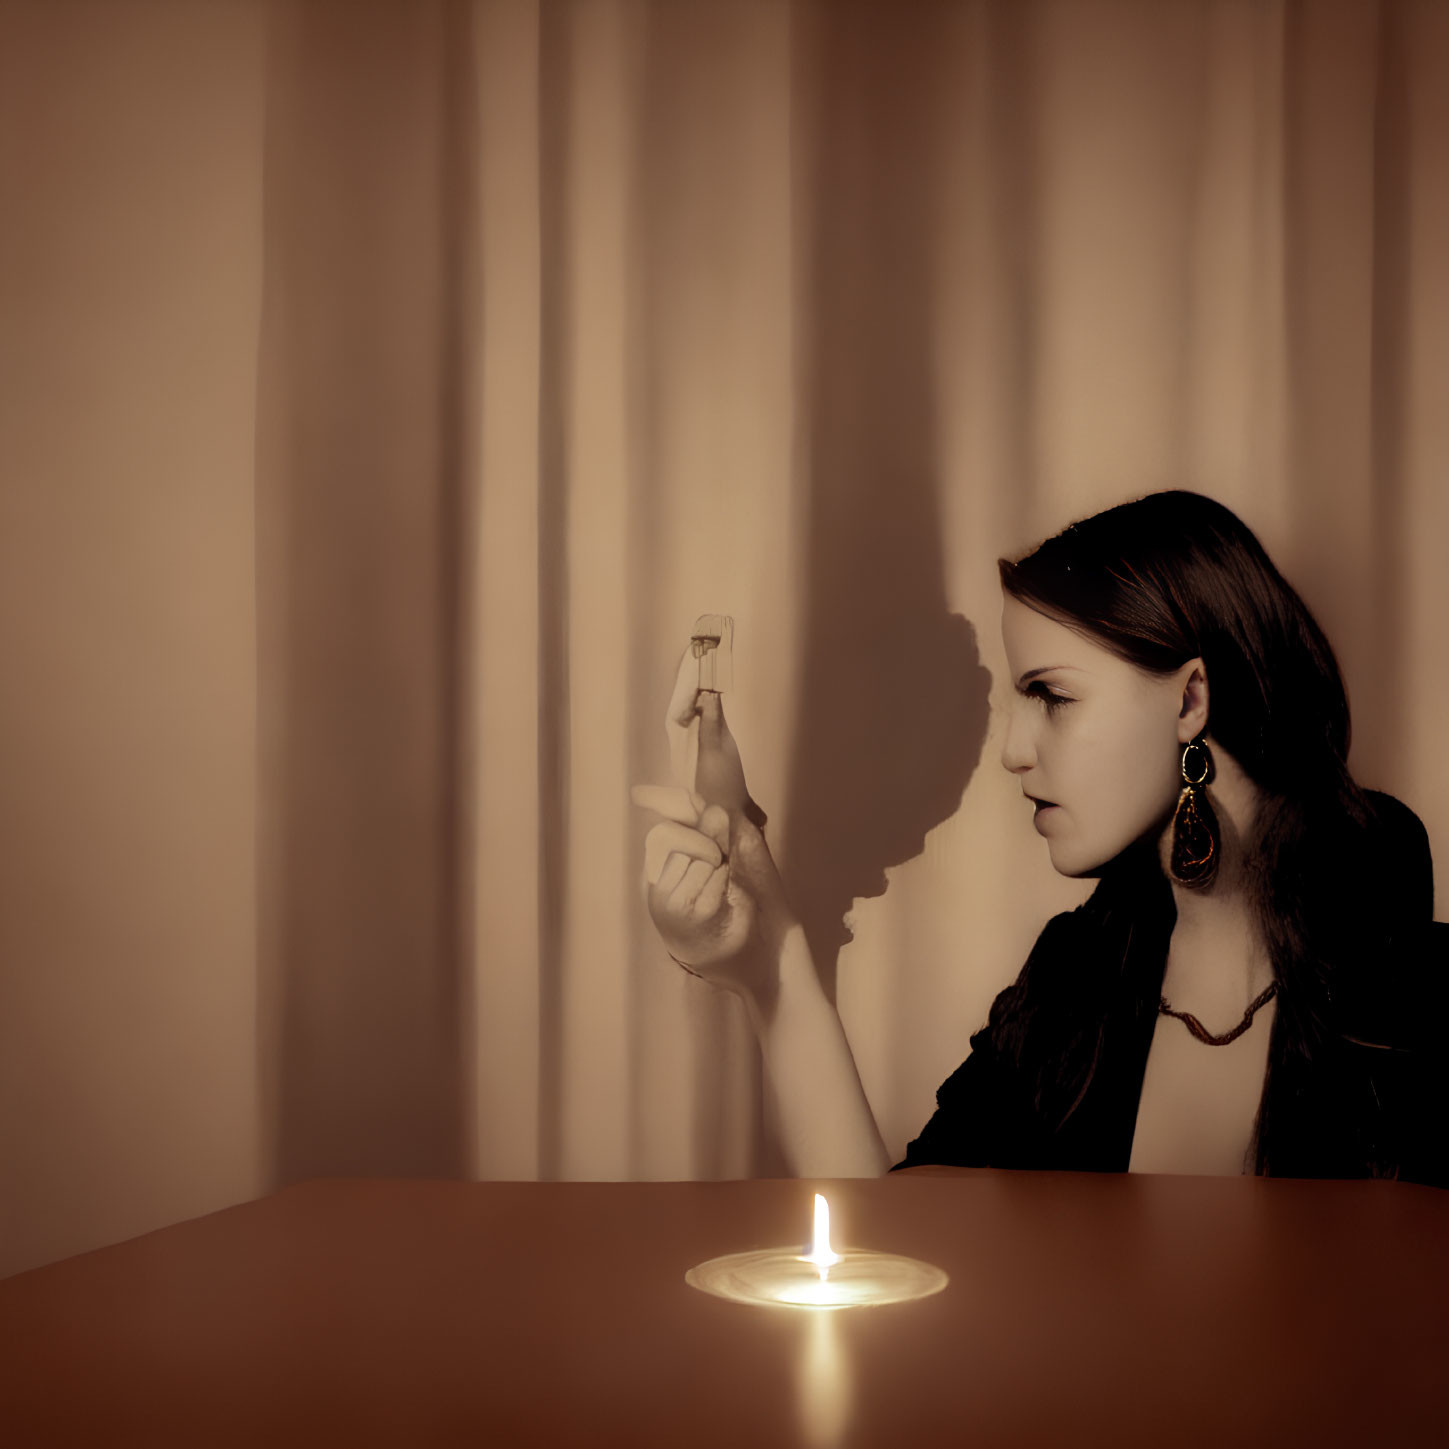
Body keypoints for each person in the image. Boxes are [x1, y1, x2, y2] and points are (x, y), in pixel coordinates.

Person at [631, 491, 1447, 1186]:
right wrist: (768, 959)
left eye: (1050, 695)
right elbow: (896, 1247)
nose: (1013, 749)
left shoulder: (1414, 990)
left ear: (1191, 698)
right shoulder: (1073, 987)